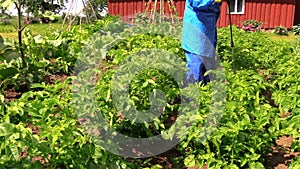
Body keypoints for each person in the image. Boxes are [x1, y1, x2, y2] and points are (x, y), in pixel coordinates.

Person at [181, 0, 222, 85]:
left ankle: (205, 91)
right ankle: (192, 95)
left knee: (207, 68)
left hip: (208, 31)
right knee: (196, 68)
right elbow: (196, 3)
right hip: (196, 33)